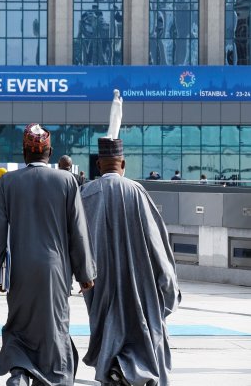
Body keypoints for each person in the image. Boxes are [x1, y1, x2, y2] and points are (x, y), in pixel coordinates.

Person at [0, 123, 96, 386]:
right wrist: (85, 273)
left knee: (20, 324)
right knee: (53, 327)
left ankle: (20, 373)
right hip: (54, 270)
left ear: (25, 153)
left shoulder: (7, 183)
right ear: (50, 152)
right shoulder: (67, 180)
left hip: (20, 271)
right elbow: (77, 232)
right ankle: (53, 378)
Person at [80, 137, 181, 386]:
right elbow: (159, 250)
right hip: (142, 296)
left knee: (109, 347)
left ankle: (116, 370)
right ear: (123, 163)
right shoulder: (138, 192)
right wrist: (168, 296)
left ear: (98, 166)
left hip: (101, 294)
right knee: (149, 352)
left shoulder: (86, 194)